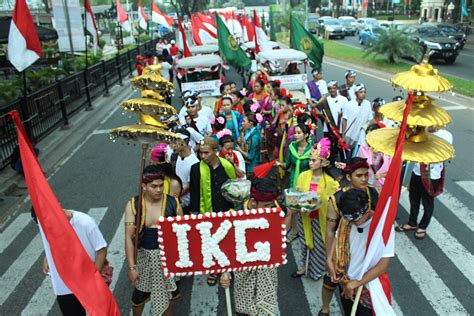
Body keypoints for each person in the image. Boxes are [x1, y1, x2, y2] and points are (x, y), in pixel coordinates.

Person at [321, 157, 379, 316]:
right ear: (348, 177)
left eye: (366, 174)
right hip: (340, 246)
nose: (364, 179)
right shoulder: (336, 199)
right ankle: (325, 308)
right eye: (359, 176)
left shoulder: (374, 193)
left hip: (363, 248)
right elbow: (331, 230)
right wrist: (329, 258)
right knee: (330, 281)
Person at [220, 174, 284, 315]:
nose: (269, 209)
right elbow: (224, 245)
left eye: (271, 205)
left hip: (266, 267)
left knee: (266, 309)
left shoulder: (275, 208)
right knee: (245, 309)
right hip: (243, 271)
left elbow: (281, 231)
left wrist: (291, 215)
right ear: (253, 202)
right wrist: (225, 272)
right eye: (266, 206)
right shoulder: (234, 214)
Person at [125, 168, 182, 316]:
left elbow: (183, 233)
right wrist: (132, 268)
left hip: (169, 259)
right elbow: (128, 238)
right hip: (145, 259)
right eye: (154, 186)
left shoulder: (173, 203)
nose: (158, 190)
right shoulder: (133, 205)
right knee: (139, 297)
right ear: (144, 186)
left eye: (161, 185)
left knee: (172, 293)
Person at [332, 189, 394, 316]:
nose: (351, 223)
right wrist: (330, 260)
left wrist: (356, 283)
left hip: (365, 287)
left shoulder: (382, 228)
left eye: (355, 220)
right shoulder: (346, 221)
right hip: (345, 281)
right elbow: (338, 240)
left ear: (366, 209)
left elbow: (383, 265)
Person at [35, 207, 107, 316]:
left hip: (88, 280)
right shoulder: (45, 223)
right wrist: (47, 257)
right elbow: (52, 244)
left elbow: (101, 250)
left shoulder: (85, 222)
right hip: (64, 286)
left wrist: (93, 278)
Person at [189, 137, 237, 286]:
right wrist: (195, 215)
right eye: (200, 153)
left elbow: (234, 188)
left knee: (228, 241)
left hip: (226, 211)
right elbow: (195, 193)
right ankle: (214, 269)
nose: (202, 156)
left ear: (215, 152)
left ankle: (227, 268)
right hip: (207, 213)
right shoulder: (196, 169)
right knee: (210, 243)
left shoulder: (227, 166)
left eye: (206, 153)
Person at [292, 138, 339, 280]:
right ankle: (303, 267)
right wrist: (300, 205)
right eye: (310, 160)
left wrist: (316, 204)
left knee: (319, 247)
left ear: (324, 162)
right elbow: (297, 195)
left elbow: (334, 204)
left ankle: (317, 271)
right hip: (304, 217)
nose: (310, 163)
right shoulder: (302, 176)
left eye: (314, 160)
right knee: (304, 243)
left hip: (320, 220)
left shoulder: (331, 183)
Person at [396, 127, 453, 240]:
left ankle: (423, 226)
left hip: (432, 174)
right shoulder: (420, 131)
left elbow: (444, 154)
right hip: (417, 171)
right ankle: (412, 222)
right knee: (413, 198)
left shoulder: (445, 135)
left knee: (427, 201)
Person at [171, 128, 199, 214]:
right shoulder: (178, 156)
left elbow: (190, 185)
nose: (173, 145)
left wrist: (175, 197)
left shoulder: (194, 163)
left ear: (185, 142)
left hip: (187, 203)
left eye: (176, 142)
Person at [277, 123, 314, 188]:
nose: (295, 135)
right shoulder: (292, 147)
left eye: (299, 133)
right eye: (295, 133)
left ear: (306, 135)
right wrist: (279, 164)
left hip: (306, 182)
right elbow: (287, 165)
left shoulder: (312, 150)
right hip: (292, 181)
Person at [357, 123, 392, 191]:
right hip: (366, 182)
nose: (368, 139)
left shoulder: (386, 150)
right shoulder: (363, 148)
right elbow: (358, 164)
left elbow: (392, 170)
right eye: (367, 135)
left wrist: (381, 175)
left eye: (371, 136)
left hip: (383, 184)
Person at [341, 84, 373, 156]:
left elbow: (370, 120)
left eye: (364, 92)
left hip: (361, 136)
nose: (363, 94)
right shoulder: (348, 105)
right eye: (361, 92)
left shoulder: (367, 104)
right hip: (349, 136)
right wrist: (343, 136)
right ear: (355, 94)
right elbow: (344, 120)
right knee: (347, 158)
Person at [236, 112, 263, 178]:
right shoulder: (248, 131)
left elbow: (250, 156)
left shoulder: (255, 137)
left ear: (250, 123)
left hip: (252, 167)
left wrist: (240, 150)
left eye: (244, 121)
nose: (242, 123)